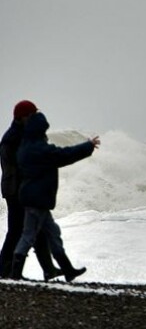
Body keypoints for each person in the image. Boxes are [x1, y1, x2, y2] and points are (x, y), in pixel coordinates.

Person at [9, 110, 100, 281]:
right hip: (37, 200)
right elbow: (64, 155)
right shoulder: (39, 149)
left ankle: (68, 270)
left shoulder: (25, 147)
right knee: (29, 235)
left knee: (53, 233)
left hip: (33, 198)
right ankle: (15, 273)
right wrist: (88, 146)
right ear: (39, 130)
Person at [0, 100, 62, 280]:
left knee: (36, 228)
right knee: (17, 230)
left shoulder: (20, 135)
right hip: (17, 191)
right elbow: (20, 165)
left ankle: (48, 269)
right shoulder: (14, 137)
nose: (35, 117)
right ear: (23, 117)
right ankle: (5, 269)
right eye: (32, 115)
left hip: (20, 189)